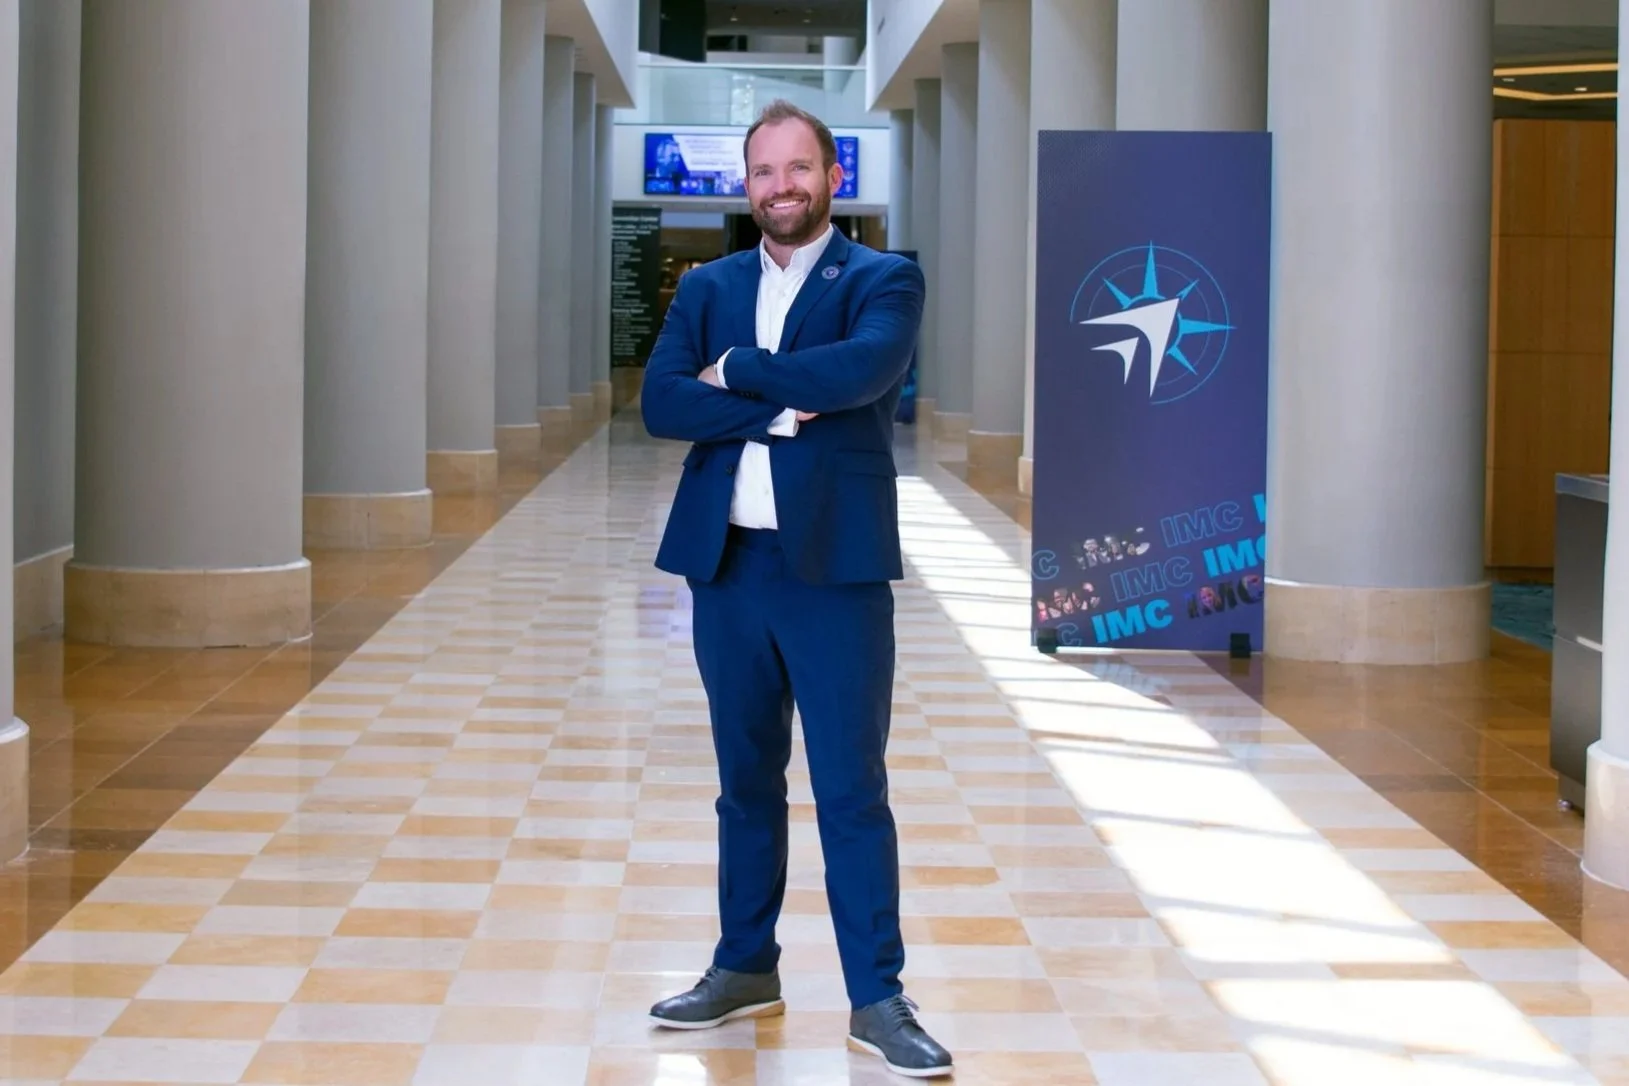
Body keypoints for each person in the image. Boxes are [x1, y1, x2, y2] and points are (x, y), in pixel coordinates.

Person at [640, 100, 952, 1080]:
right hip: (729, 566)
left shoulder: (884, 280)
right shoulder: (709, 286)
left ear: (832, 178)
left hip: (837, 572)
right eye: (764, 170)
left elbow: (867, 372)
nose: (781, 185)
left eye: (799, 168)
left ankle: (878, 997)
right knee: (744, 784)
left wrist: (736, 381)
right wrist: (783, 405)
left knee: (852, 788)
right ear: (747, 184)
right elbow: (660, 399)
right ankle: (744, 966)